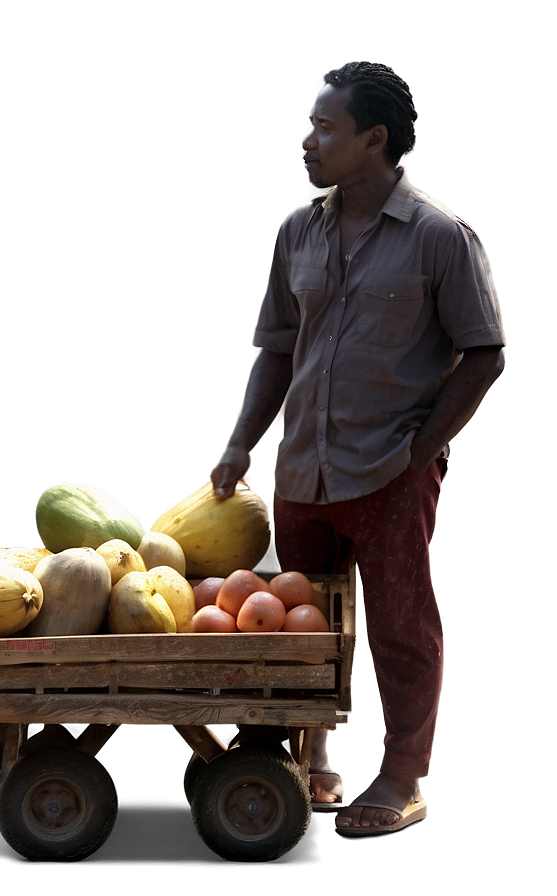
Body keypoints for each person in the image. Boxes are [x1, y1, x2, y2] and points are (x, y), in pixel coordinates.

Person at [211, 61, 505, 835]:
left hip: (388, 475)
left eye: (325, 127)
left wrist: (422, 451)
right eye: (309, 125)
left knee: (404, 631)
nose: (307, 141)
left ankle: (402, 778)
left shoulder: (440, 237)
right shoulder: (298, 230)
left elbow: (484, 351)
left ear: (373, 139)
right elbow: (276, 348)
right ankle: (308, 764)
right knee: (293, 620)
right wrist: (242, 442)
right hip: (300, 472)